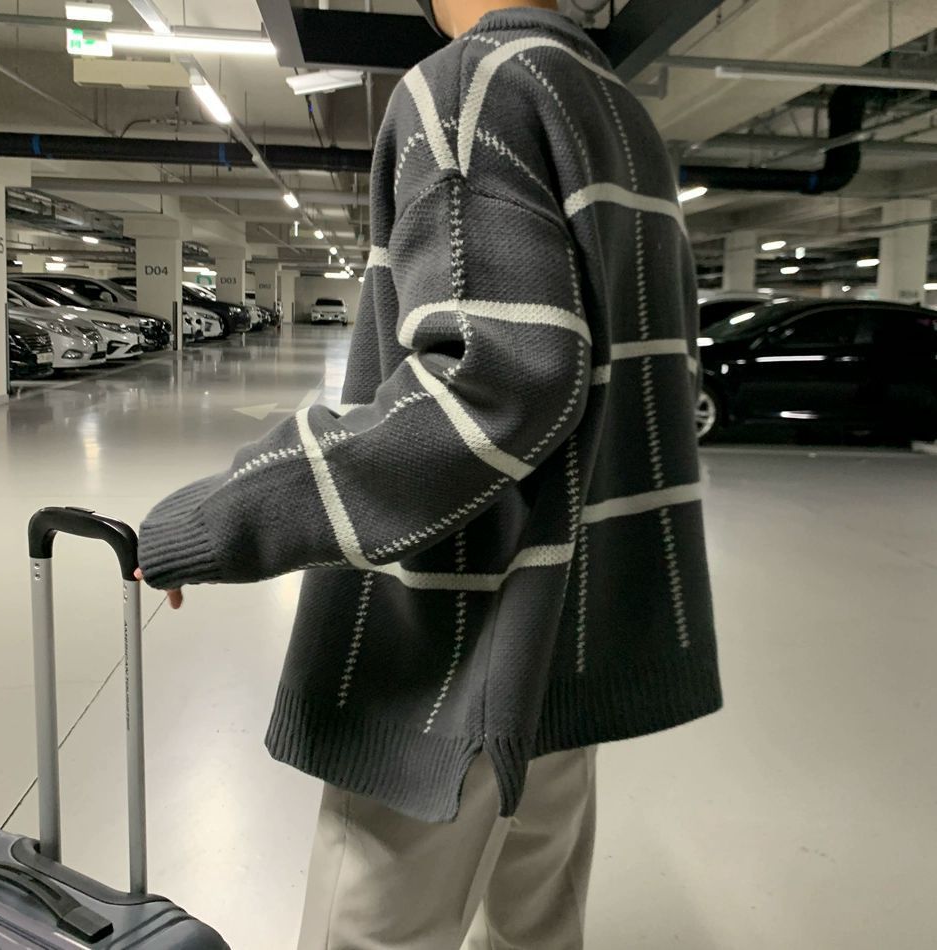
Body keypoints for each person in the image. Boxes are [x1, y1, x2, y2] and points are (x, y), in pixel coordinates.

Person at [136, 0, 724, 945]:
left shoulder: (474, 86)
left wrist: (226, 515)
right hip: (568, 631)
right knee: (535, 926)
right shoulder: (620, 114)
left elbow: (492, 386)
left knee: (376, 931)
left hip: (460, 636)